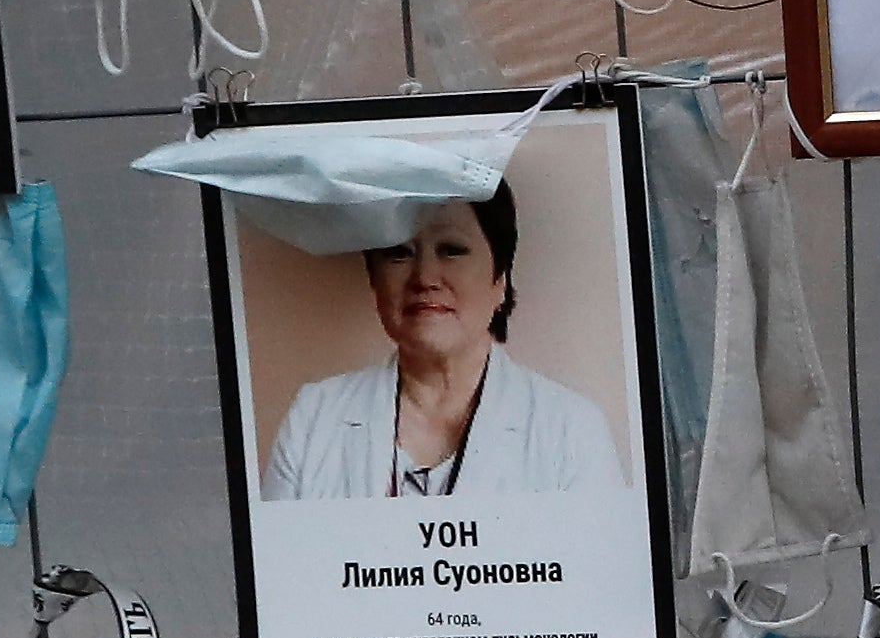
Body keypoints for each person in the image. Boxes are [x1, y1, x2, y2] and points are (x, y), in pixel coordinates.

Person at [257, 184, 626, 498]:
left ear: (501, 280)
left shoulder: (571, 429)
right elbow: (284, 577)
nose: (425, 277)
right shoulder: (313, 419)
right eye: (398, 252)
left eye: (452, 249)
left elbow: (594, 577)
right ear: (374, 279)